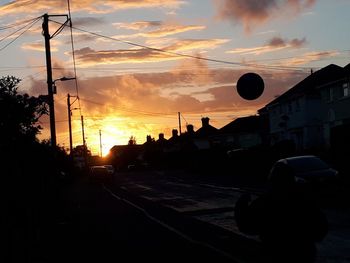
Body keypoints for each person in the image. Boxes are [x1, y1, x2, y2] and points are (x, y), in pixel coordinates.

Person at [234, 162, 328, 263]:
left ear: (272, 180)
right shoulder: (304, 200)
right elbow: (321, 228)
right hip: (303, 254)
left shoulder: (265, 202)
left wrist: (241, 204)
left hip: (274, 253)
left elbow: (247, 226)